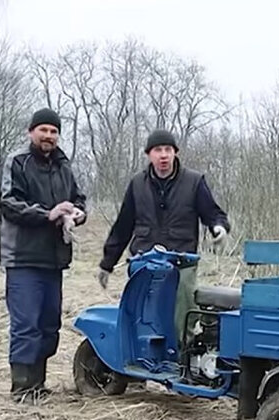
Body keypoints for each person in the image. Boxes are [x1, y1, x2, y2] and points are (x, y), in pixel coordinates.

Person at [97, 128, 231, 342]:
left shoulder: (194, 182)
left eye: (168, 149)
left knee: (180, 321)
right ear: (149, 155)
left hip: (181, 264)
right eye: (158, 150)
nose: (163, 155)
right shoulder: (137, 184)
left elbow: (213, 213)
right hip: (145, 263)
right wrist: (106, 264)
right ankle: (143, 366)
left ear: (175, 153)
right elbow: (123, 227)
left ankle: (181, 364)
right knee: (142, 320)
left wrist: (219, 228)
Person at [0, 107, 86, 403]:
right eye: (43, 130)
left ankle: (39, 384)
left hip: (54, 259)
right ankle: (22, 388)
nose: (48, 136)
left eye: (53, 131)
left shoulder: (64, 166)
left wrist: (77, 212)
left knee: (49, 324)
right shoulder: (17, 162)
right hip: (23, 258)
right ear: (31, 132)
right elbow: (9, 203)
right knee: (27, 325)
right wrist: (47, 214)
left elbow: (78, 197)